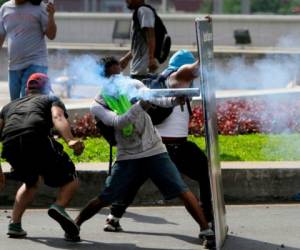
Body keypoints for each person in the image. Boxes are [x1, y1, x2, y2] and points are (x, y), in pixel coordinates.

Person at [74, 66, 215, 243]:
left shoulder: (132, 84)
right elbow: (118, 122)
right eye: (112, 77)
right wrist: (141, 106)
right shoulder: (98, 104)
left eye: (118, 74)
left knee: (181, 189)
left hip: (154, 148)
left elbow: (156, 98)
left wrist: (173, 100)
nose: (119, 79)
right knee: (107, 196)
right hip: (128, 154)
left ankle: (205, 230)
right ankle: (75, 224)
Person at [0, 73, 84, 241]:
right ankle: (58, 207)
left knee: (31, 182)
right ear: (47, 88)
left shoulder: (9, 106)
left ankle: (15, 224)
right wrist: (70, 140)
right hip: (35, 138)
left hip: (10, 145)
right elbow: (57, 116)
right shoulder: (50, 99)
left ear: (26, 89)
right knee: (71, 177)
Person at [0, 0, 57, 100]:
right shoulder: (5, 8)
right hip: (13, 65)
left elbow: (51, 35)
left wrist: (51, 15)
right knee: (14, 104)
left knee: (27, 102)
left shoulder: (39, 7)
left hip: (35, 63)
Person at [120, 0, 158, 80]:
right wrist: (126, 58)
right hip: (137, 70)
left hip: (143, 72)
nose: (126, 0)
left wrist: (151, 59)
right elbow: (139, 45)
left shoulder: (144, 11)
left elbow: (151, 35)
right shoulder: (138, 13)